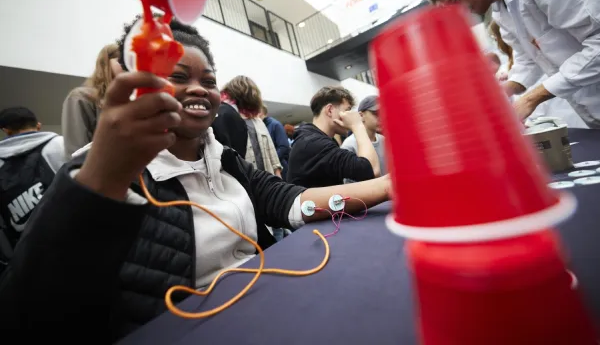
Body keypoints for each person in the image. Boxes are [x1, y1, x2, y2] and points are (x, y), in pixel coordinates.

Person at [0, 18, 391, 341]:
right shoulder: (99, 172)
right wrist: (106, 175)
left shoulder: (226, 160)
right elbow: (27, 313)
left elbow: (291, 201)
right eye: (179, 76)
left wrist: (392, 186)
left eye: (208, 80)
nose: (197, 90)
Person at [429, 0, 600, 128]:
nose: (459, 12)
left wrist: (531, 99)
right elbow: (529, 59)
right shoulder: (501, 10)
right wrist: (503, 93)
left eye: (456, 0)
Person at [0, 107, 65, 274]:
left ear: (6, 130)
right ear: (38, 125)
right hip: (73, 238)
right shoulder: (60, 144)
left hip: (29, 258)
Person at [287, 86, 381, 188]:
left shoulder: (315, 139)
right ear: (330, 110)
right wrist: (357, 125)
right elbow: (372, 170)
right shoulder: (314, 143)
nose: (350, 115)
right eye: (347, 110)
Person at [61, 43, 122, 157]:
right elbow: (76, 153)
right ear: (106, 62)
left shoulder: (132, 99)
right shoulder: (81, 97)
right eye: (121, 61)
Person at [222, 76, 282, 178]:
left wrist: (278, 176)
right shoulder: (226, 120)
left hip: (267, 179)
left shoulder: (258, 121)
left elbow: (271, 151)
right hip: (243, 182)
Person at [341, 96, 386, 182]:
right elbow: (350, 185)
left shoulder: (384, 140)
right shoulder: (349, 145)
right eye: (376, 113)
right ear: (361, 115)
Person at [260, 105, 290, 180]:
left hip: (280, 168)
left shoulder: (275, 124)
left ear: (260, 112)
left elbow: (284, 146)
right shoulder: (261, 126)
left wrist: (271, 161)